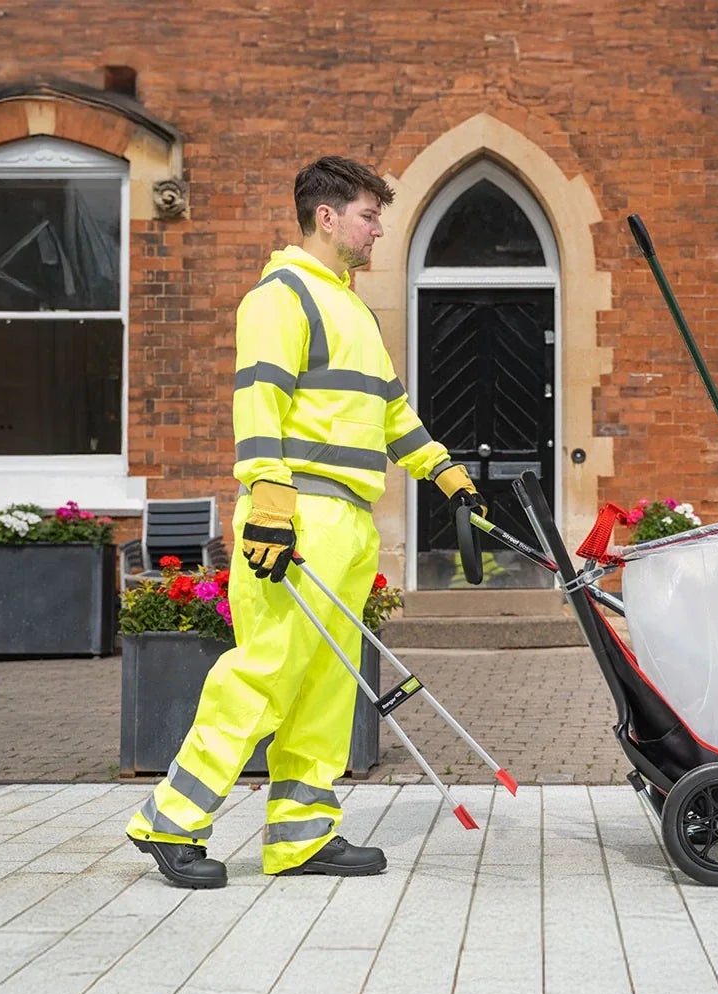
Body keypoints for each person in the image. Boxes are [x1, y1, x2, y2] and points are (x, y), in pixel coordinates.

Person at [125, 156, 485, 888]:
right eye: (368, 215)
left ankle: (301, 835)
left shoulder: (351, 308)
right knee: (265, 671)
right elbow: (257, 404)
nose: (379, 228)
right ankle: (171, 820)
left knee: (326, 682)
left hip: (348, 520)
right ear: (327, 217)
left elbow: (392, 414)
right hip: (298, 513)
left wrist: (446, 475)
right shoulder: (280, 297)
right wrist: (270, 504)